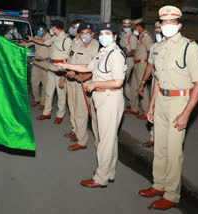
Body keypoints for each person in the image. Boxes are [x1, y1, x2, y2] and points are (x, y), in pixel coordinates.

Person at [139, 6, 198, 210]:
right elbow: (157, 79)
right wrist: (151, 106)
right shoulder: (157, 48)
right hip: (160, 101)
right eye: (164, 22)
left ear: (179, 25)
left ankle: (171, 194)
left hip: (180, 102)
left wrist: (186, 113)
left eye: (172, 22)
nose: (167, 25)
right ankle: (158, 184)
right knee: (160, 147)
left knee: (174, 151)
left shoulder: (189, 47)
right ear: (160, 25)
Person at [56, 23, 126, 187]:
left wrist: (93, 84)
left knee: (106, 140)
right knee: (109, 138)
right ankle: (109, 171)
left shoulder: (115, 54)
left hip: (110, 98)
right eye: (101, 33)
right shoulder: (103, 52)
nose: (103, 36)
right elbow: (87, 67)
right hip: (102, 97)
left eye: (107, 33)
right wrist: (65, 66)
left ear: (115, 37)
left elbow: (118, 81)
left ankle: (100, 178)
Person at [60, 23, 100, 150]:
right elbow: (73, 64)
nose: (84, 36)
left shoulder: (99, 46)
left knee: (95, 116)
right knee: (79, 113)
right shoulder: (77, 46)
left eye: (87, 33)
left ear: (92, 34)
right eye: (82, 33)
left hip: (95, 84)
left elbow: (101, 66)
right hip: (80, 84)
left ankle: (99, 145)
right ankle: (81, 140)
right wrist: (70, 73)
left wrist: (87, 75)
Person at [26, 20, 72, 124]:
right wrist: (32, 39)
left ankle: (60, 114)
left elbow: (69, 58)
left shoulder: (67, 39)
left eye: (52, 28)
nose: (51, 30)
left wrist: (65, 74)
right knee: (48, 91)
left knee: (61, 94)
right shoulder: (55, 38)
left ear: (56, 28)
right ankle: (46, 113)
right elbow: (44, 42)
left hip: (61, 69)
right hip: (51, 67)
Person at [139, 21, 162, 148]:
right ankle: (153, 137)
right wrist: (143, 82)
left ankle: (164, 141)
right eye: (157, 30)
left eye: (160, 30)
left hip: (171, 84)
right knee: (153, 110)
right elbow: (149, 66)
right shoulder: (154, 47)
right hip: (156, 81)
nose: (159, 32)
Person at [124, 18, 153, 119]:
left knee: (142, 88)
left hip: (143, 64)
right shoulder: (140, 36)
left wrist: (149, 69)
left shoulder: (147, 36)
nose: (133, 29)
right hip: (137, 64)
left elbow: (150, 52)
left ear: (139, 27)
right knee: (133, 86)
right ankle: (134, 108)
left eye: (134, 27)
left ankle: (146, 111)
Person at [18, 23, 51, 110]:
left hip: (46, 63)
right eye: (38, 30)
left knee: (45, 84)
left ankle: (43, 102)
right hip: (36, 63)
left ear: (45, 30)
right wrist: (12, 43)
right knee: (34, 82)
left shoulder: (50, 38)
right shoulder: (36, 36)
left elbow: (44, 43)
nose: (39, 32)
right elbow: (25, 43)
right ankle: (37, 99)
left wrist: (33, 39)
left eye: (41, 30)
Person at [119, 19, 137, 104]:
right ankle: (132, 101)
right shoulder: (122, 35)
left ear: (131, 27)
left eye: (128, 27)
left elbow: (133, 51)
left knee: (124, 82)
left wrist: (124, 56)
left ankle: (133, 101)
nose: (126, 28)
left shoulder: (132, 37)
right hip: (122, 60)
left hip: (129, 61)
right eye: (124, 26)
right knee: (125, 83)